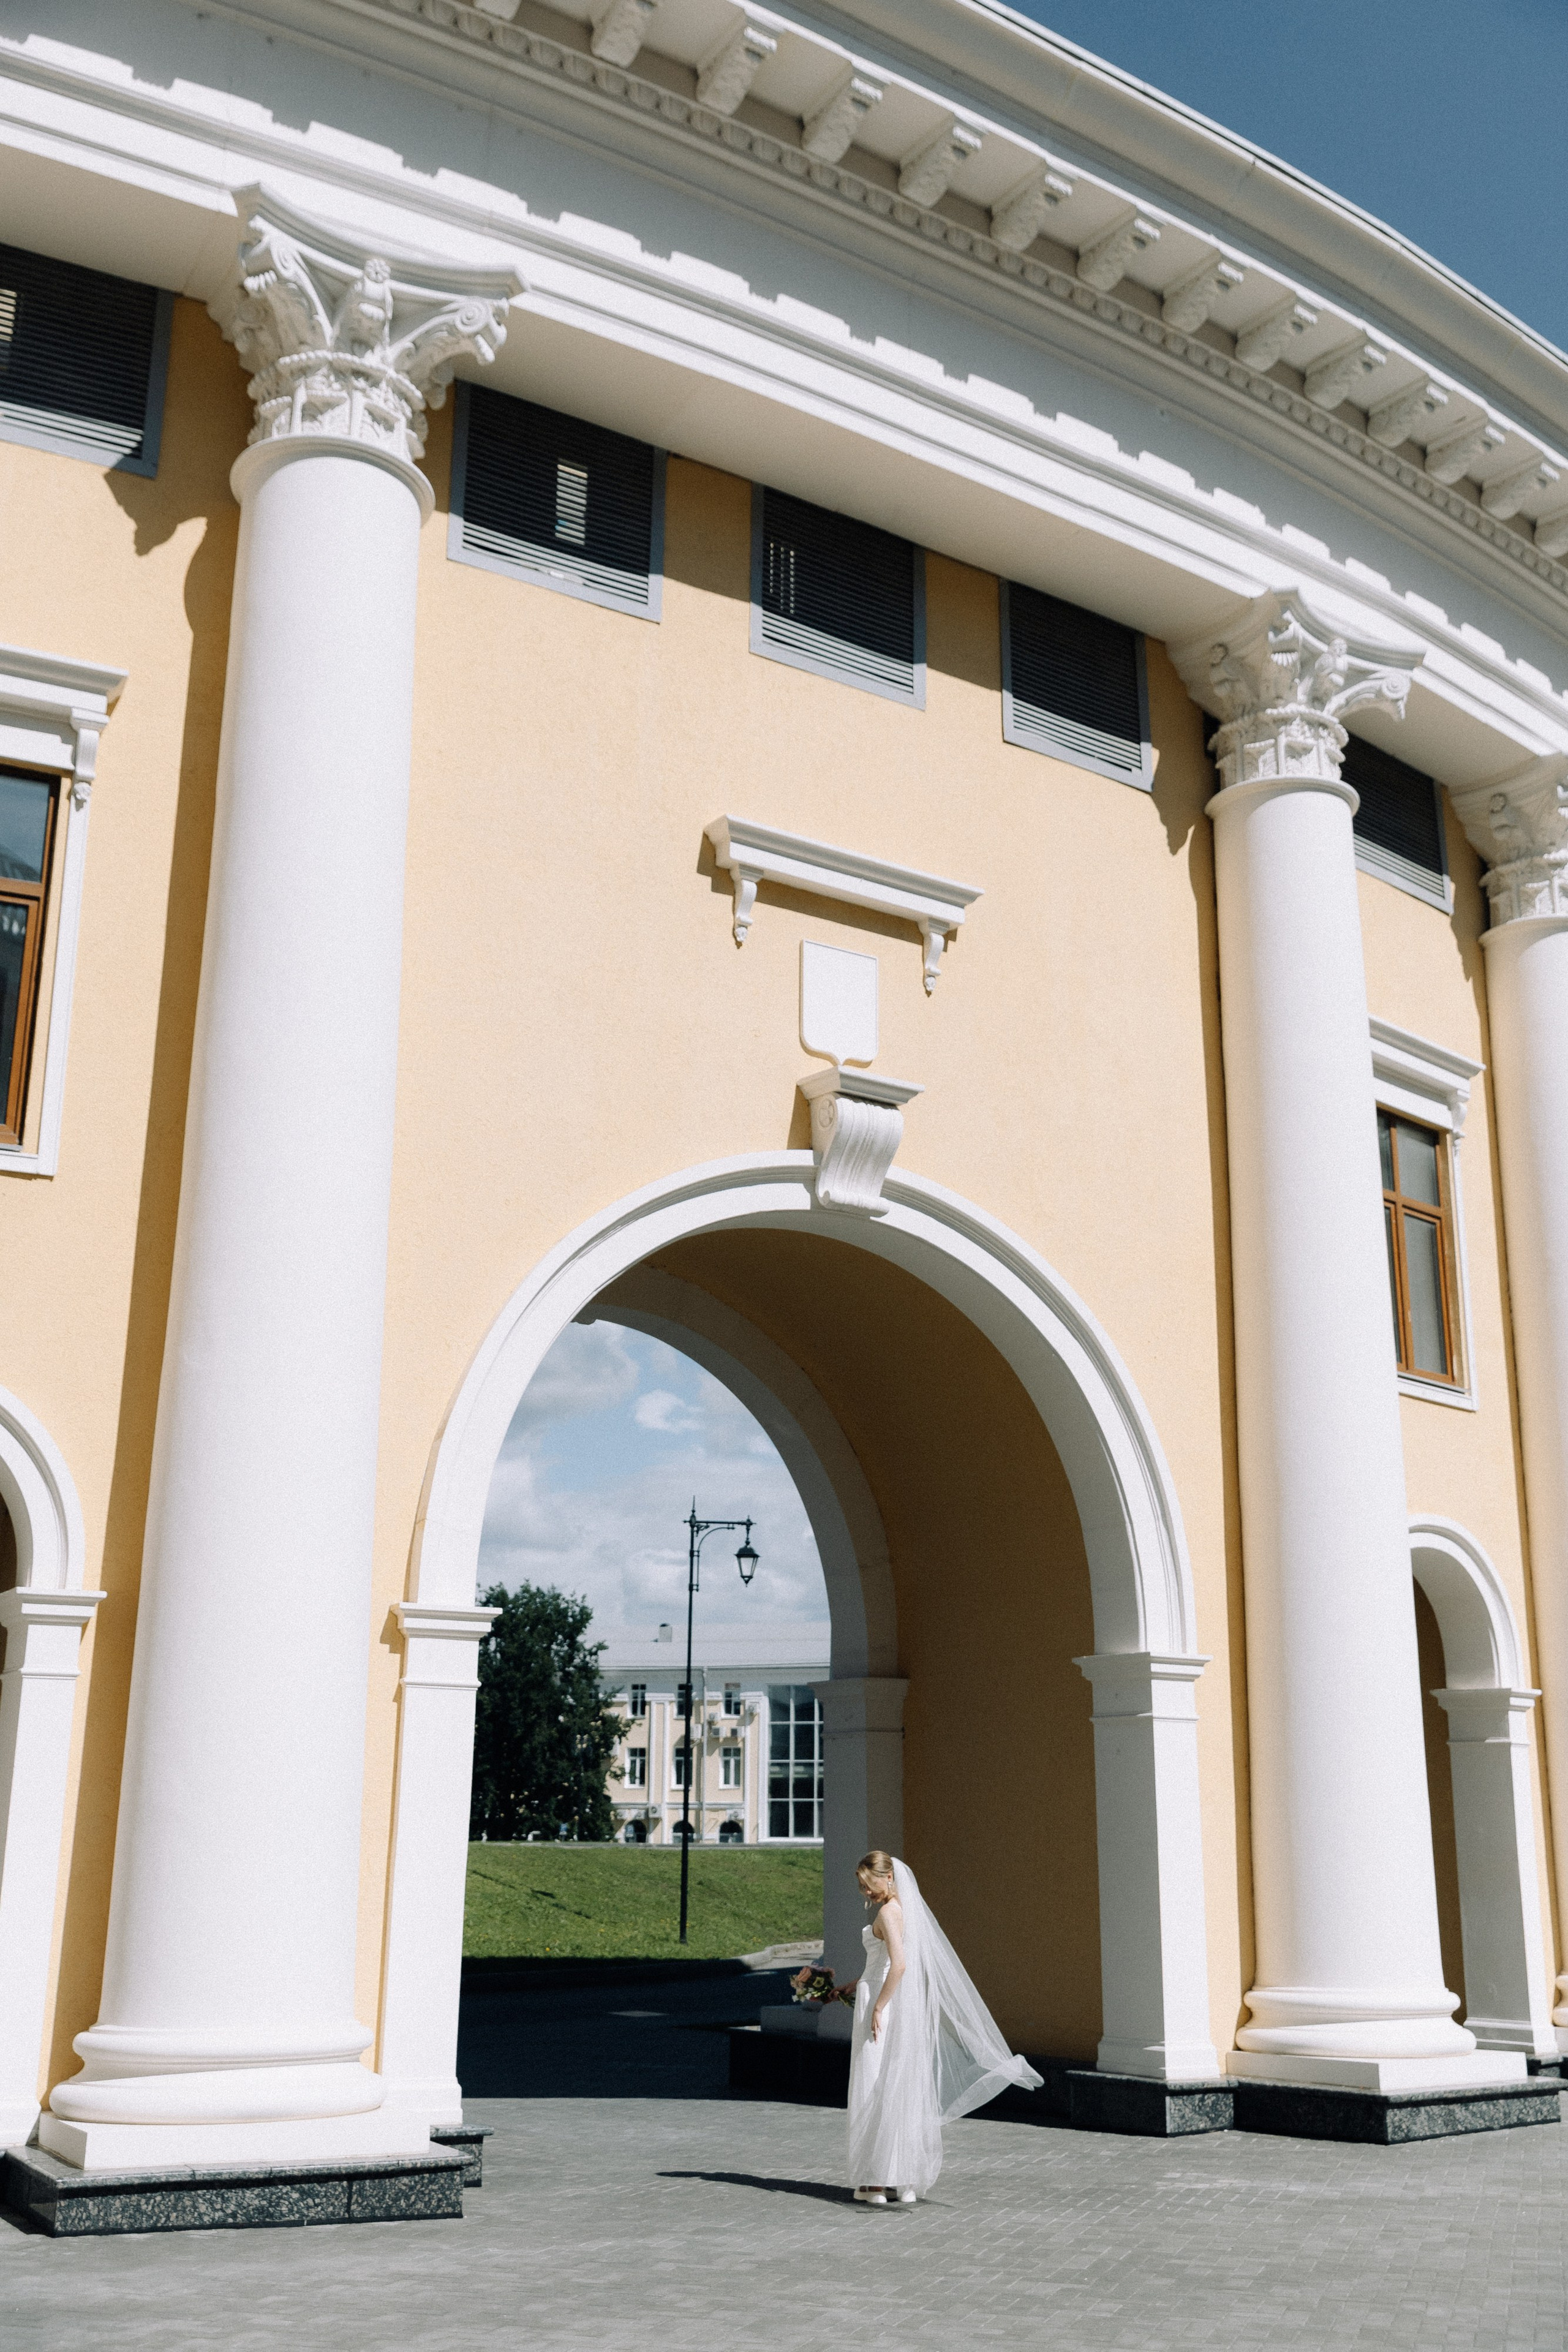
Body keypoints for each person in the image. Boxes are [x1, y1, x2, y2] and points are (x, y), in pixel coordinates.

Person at [842, 1850, 1043, 2206]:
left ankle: (874, 2184)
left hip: (883, 2005)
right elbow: (886, 1963)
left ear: (888, 1877)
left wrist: (878, 2005)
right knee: (897, 2085)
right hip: (890, 2000)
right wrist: (853, 1986)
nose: (866, 1892)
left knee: (874, 2083)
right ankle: (902, 2180)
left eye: (869, 1883)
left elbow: (899, 1966)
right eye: (862, 1886)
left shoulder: (888, 1912)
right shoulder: (904, 1912)